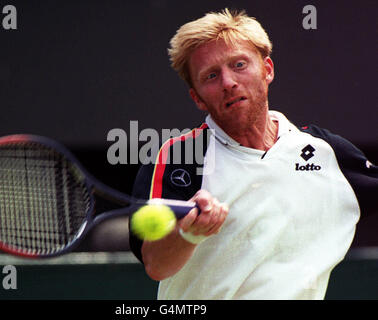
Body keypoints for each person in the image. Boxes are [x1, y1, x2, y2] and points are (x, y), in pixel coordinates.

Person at [128, 8, 377, 300]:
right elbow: (156, 264)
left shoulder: (325, 153)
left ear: (267, 69)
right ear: (197, 98)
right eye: (211, 75)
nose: (228, 82)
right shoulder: (181, 156)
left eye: (239, 64)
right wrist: (190, 233)